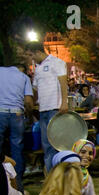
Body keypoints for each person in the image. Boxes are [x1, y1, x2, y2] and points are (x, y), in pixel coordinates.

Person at [25, 41, 69, 173]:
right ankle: (51, 176)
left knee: (57, 143)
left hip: (55, 108)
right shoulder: (38, 68)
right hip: (43, 110)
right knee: (46, 145)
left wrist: (64, 102)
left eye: (31, 55)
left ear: (38, 52)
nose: (31, 58)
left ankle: (60, 174)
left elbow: (63, 83)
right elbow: (35, 89)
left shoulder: (57, 62)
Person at [0, 64, 34, 191]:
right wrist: (29, 117)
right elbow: (29, 102)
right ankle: (17, 185)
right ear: (22, 69)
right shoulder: (23, 77)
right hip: (17, 113)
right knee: (17, 147)